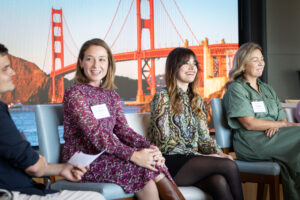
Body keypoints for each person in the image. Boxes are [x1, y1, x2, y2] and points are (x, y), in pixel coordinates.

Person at [61, 38, 185, 200]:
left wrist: (150, 149)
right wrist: (134, 155)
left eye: (102, 59)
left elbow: (123, 131)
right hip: (82, 160)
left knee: (153, 165)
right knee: (146, 169)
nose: (95, 65)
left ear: (109, 64)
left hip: (107, 154)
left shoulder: (112, 95)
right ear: (81, 63)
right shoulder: (75, 94)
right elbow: (96, 134)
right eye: (90, 59)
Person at [0, 44, 104, 200]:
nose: (12, 72)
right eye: (5, 69)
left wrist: (62, 169)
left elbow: (29, 163)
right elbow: (33, 166)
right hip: (12, 194)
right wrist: (37, 161)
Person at [148, 47, 244, 200]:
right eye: (185, 63)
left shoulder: (196, 99)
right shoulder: (162, 97)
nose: (192, 68)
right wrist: (204, 156)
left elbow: (204, 139)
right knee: (229, 166)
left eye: (194, 63)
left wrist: (218, 153)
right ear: (174, 67)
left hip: (191, 161)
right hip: (169, 161)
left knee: (218, 181)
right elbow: (164, 143)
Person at [223, 42, 300, 200]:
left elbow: (282, 118)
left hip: (276, 136)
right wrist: (282, 125)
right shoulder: (236, 89)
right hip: (252, 143)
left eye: (262, 59)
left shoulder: (267, 89)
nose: (261, 63)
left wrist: (278, 126)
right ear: (243, 65)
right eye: (255, 60)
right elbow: (249, 123)